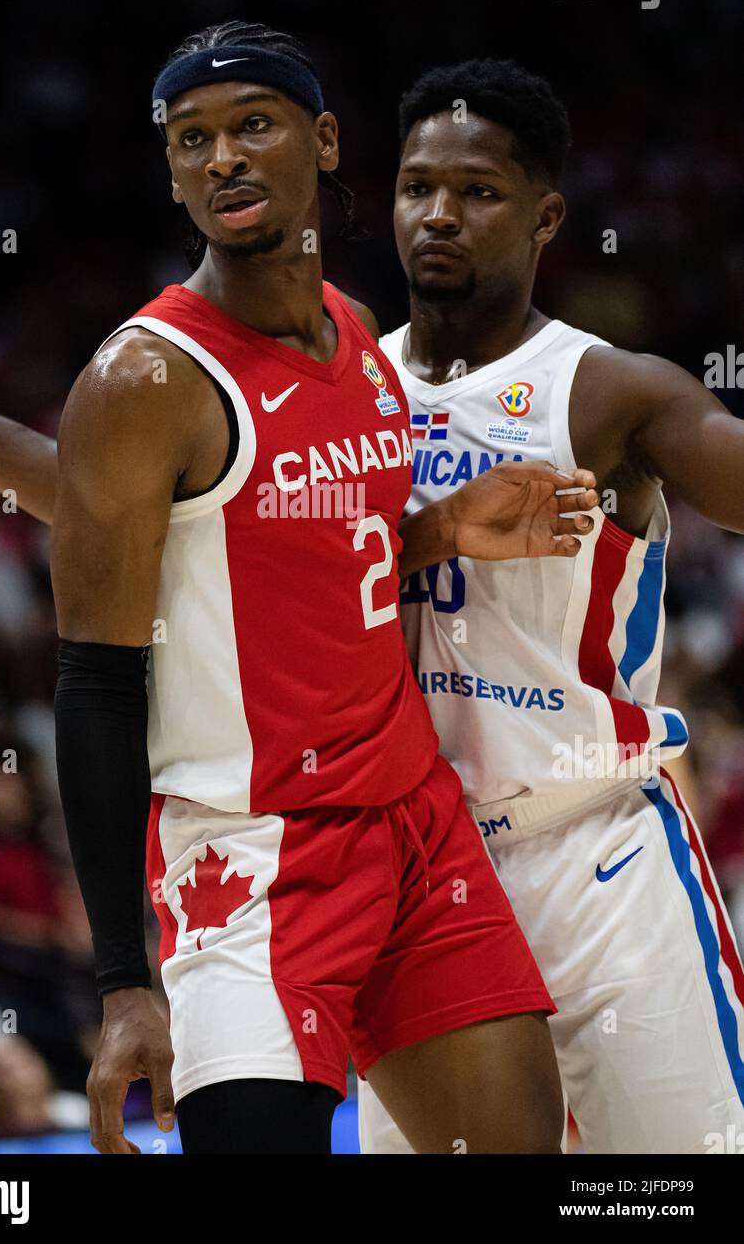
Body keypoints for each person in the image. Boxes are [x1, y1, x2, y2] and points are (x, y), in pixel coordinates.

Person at [0, 22, 599, 1155]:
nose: (220, 156)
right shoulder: (143, 377)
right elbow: (94, 678)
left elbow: (265, 538)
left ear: (320, 142)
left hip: (414, 828)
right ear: (170, 172)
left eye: (250, 126)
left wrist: (440, 528)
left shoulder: (357, 333)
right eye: (191, 138)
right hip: (253, 857)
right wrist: (124, 980)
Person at [358, 58, 744, 1154]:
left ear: (544, 216)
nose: (438, 213)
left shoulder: (606, 389)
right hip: (418, 878)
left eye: (476, 191)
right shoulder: (345, 396)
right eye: (416, 186)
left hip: (593, 854)